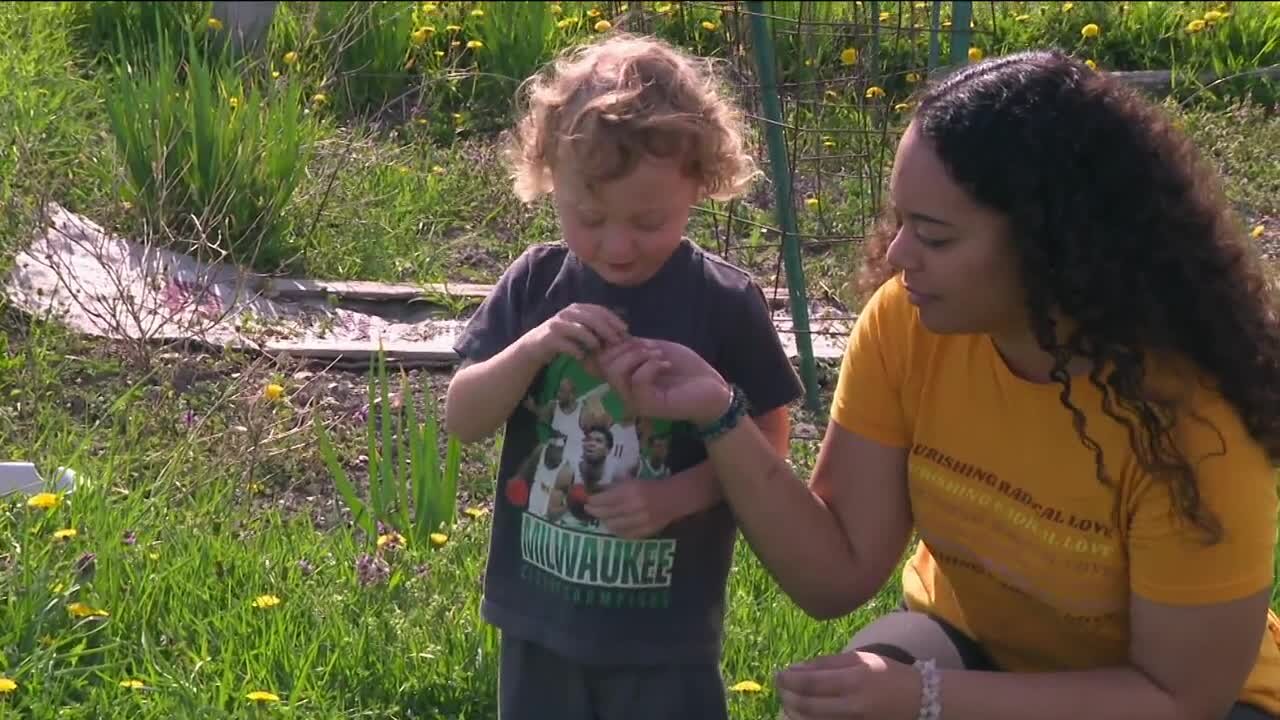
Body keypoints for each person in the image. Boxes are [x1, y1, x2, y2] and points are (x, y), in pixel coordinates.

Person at [595, 49, 1280, 720]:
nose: (896, 255)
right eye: (901, 223)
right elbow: (835, 575)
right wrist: (721, 414)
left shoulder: (1193, 420)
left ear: (1055, 246)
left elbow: (1179, 697)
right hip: (972, 642)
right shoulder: (908, 323)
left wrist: (923, 698)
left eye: (936, 236)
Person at [444, 33, 803, 720]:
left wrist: (677, 499)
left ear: (700, 181)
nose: (616, 244)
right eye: (589, 217)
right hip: (539, 621)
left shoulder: (722, 303)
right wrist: (532, 350)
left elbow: (769, 447)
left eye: (648, 221)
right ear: (548, 175)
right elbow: (463, 418)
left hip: (663, 638)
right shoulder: (534, 286)